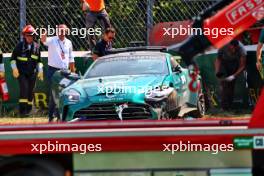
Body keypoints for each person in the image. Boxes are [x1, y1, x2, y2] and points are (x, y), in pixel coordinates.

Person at [40, 24, 75, 122]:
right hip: (54, 71)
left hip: (65, 72)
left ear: (66, 31)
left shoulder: (69, 42)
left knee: (63, 94)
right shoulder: (52, 40)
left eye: (63, 31)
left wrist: (73, 72)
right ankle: (51, 117)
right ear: (57, 31)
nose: (62, 32)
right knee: (54, 94)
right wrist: (44, 34)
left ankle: (60, 116)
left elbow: (71, 58)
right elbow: (43, 40)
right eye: (60, 30)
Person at [11, 25, 43, 117]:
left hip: (32, 73)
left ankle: (28, 111)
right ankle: (22, 111)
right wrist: (14, 69)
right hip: (21, 73)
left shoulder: (37, 47)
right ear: (24, 36)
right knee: (24, 89)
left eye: (31, 35)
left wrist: (40, 70)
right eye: (28, 35)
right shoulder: (19, 46)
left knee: (30, 92)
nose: (30, 37)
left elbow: (39, 61)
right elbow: (12, 59)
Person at [215, 40, 246, 110]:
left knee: (231, 86)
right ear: (229, 45)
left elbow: (242, 66)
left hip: (234, 65)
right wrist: (217, 71)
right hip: (224, 64)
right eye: (232, 48)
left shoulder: (242, 50)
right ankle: (223, 107)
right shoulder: (222, 46)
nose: (234, 50)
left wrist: (233, 76)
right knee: (224, 85)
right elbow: (218, 60)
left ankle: (229, 106)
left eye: (236, 48)